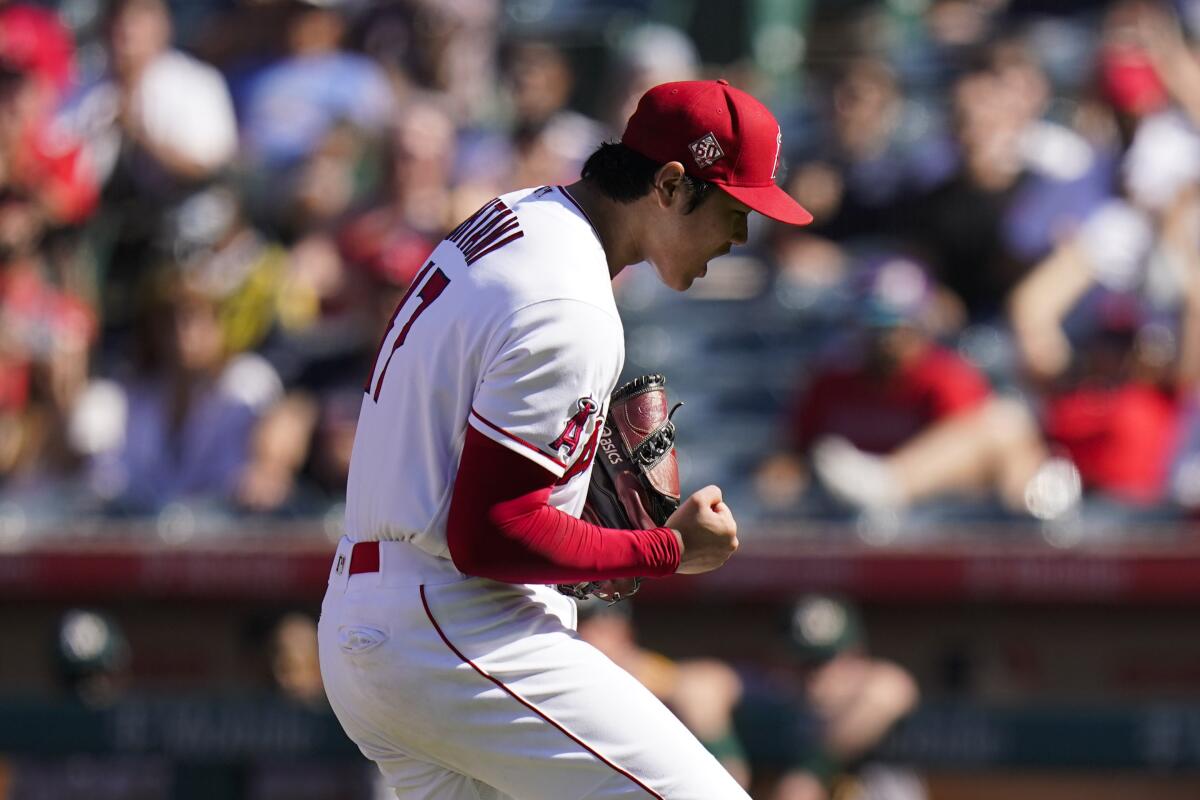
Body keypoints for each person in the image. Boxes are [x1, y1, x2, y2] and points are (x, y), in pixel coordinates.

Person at [317, 79, 812, 799]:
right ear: (672, 186)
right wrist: (669, 549)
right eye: (734, 211)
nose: (738, 238)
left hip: (377, 617)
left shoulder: (521, 216)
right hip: (452, 625)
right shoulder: (569, 301)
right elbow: (490, 535)